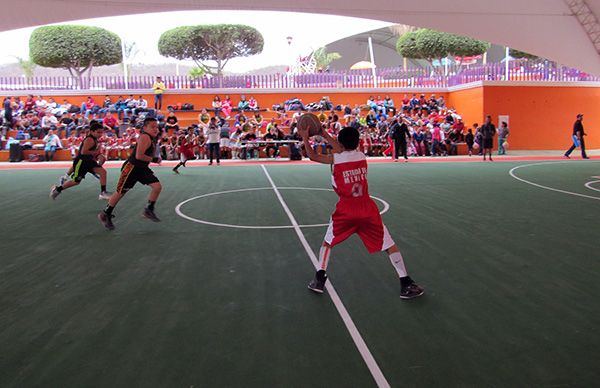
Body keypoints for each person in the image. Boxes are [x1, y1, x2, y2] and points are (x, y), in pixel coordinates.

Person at [299, 125, 424, 299]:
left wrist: (306, 136)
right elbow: (342, 148)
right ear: (357, 142)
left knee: (328, 243)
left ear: (340, 143)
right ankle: (406, 282)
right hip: (366, 207)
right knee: (388, 245)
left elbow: (312, 155)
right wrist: (323, 134)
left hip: (346, 210)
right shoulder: (361, 156)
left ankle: (319, 279)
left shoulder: (335, 159)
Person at [98, 117, 162, 230]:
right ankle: (105, 214)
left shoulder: (151, 138)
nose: (155, 129)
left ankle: (149, 209)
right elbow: (139, 156)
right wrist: (154, 159)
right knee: (120, 192)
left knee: (157, 187)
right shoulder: (145, 137)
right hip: (131, 168)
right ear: (145, 127)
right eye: (152, 127)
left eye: (156, 127)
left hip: (141, 168)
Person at [50, 122, 111, 200]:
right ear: (92, 131)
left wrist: (98, 155)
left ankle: (103, 193)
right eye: (98, 132)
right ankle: (58, 189)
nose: (100, 134)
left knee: (103, 172)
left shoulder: (95, 139)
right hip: (82, 162)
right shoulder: (89, 139)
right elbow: (84, 152)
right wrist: (96, 153)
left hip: (89, 161)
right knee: (76, 182)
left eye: (101, 132)